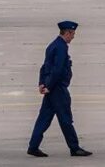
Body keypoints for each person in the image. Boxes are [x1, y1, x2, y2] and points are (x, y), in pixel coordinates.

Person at [28, 21, 92, 158]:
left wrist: (42, 84)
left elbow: (44, 67)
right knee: (65, 119)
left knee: (43, 119)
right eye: (73, 34)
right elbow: (57, 70)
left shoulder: (52, 45)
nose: (73, 37)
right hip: (58, 89)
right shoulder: (61, 47)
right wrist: (49, 87)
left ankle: (33, 146)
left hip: (51, 88)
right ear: (67, 32)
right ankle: (74, 148)